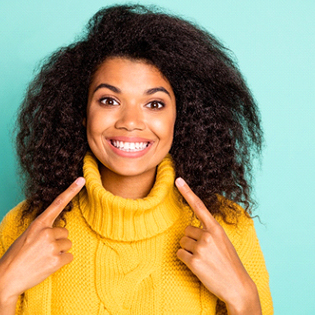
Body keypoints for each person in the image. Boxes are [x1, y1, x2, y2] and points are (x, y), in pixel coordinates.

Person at [0, 4, 273, 315]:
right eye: (109, 100)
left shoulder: (229, 229)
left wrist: (244, 299)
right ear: (81, 112)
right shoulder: (23, 227)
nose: (130, 121)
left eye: (154, 104)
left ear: (183, 117)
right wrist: (3, 285)